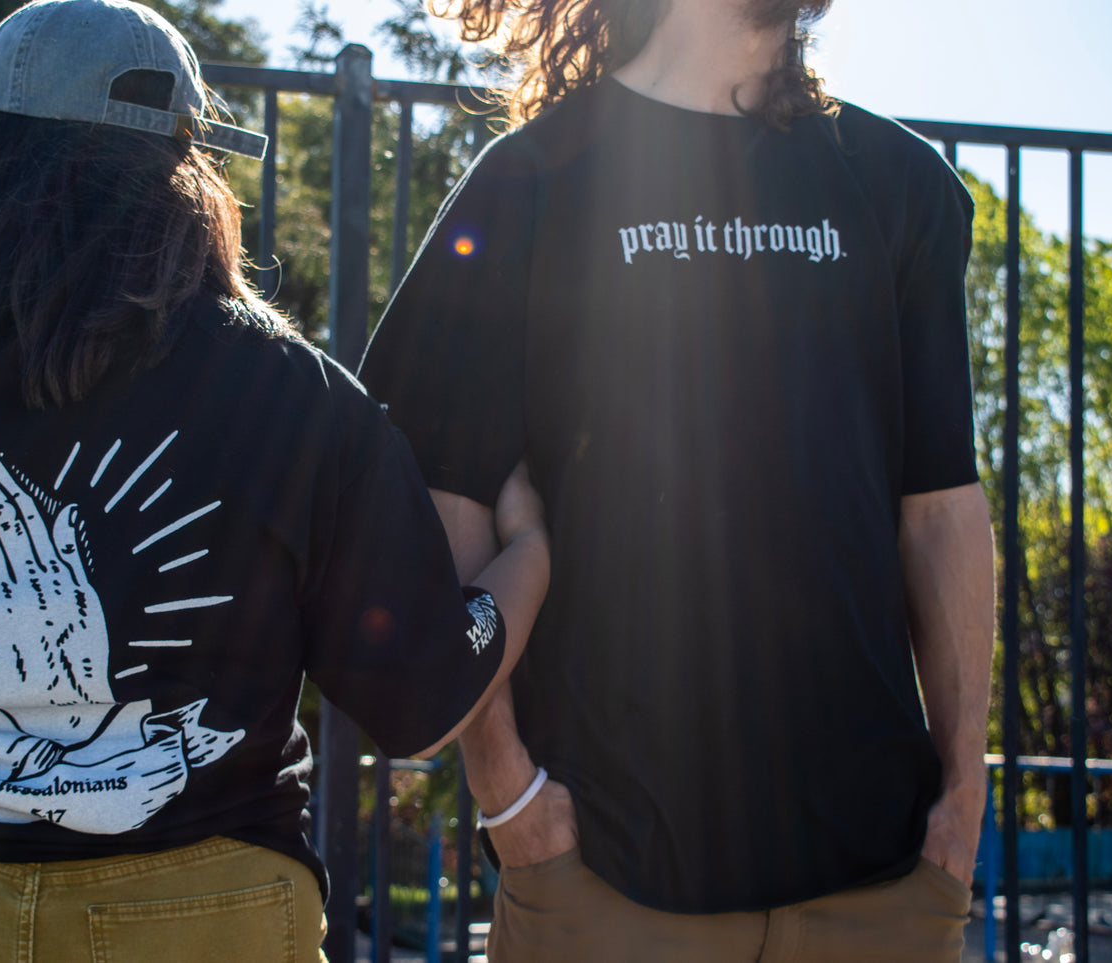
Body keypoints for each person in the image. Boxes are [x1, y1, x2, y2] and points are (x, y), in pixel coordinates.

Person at [0, 2, 550, 961]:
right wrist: (533, 559)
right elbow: (421, 696)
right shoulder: (298, 399)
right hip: (202, 916)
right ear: (191, 175)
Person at [359, 0, 995, 959]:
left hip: (886, 880)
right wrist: (512, 795)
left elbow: (940, 504)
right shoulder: (528, 180)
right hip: (606, 878)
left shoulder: (897, 184)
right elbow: (441, 501)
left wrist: (960, 799)